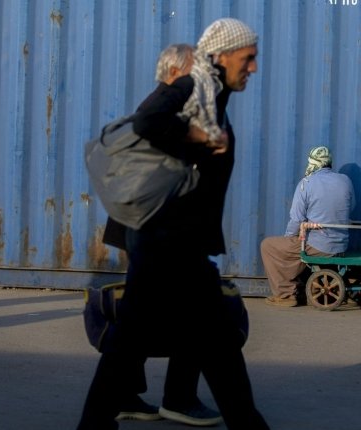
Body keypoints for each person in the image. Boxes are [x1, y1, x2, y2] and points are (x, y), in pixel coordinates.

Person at [77, 18, 269, 430]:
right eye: (248, 58)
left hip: (178, 243)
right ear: (222, 55)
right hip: (166, 242)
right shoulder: (191, 85)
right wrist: (199, 138)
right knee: (209, 344)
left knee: (200, 343)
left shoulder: (213, 94)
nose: (253, 67)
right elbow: (146, 120)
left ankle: (97, 423)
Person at [102, 43, 222, 426]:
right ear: (174, 73)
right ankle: (179, 398)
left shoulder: (165, 108)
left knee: (144, 313)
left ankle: (123, 395)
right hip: (156, 228)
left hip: (147, 226)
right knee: (194, 311)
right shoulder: (161, 109)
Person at [261, 146, 356, 307]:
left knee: (268, 246)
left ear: (312, 162)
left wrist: (289, 238)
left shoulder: (306, 183)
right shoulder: (345, 181)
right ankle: (298, 285)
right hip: (341, 244)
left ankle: (286, 294)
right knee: (299, 247)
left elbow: (296, 220)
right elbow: (351, 207)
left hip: (318, 245)